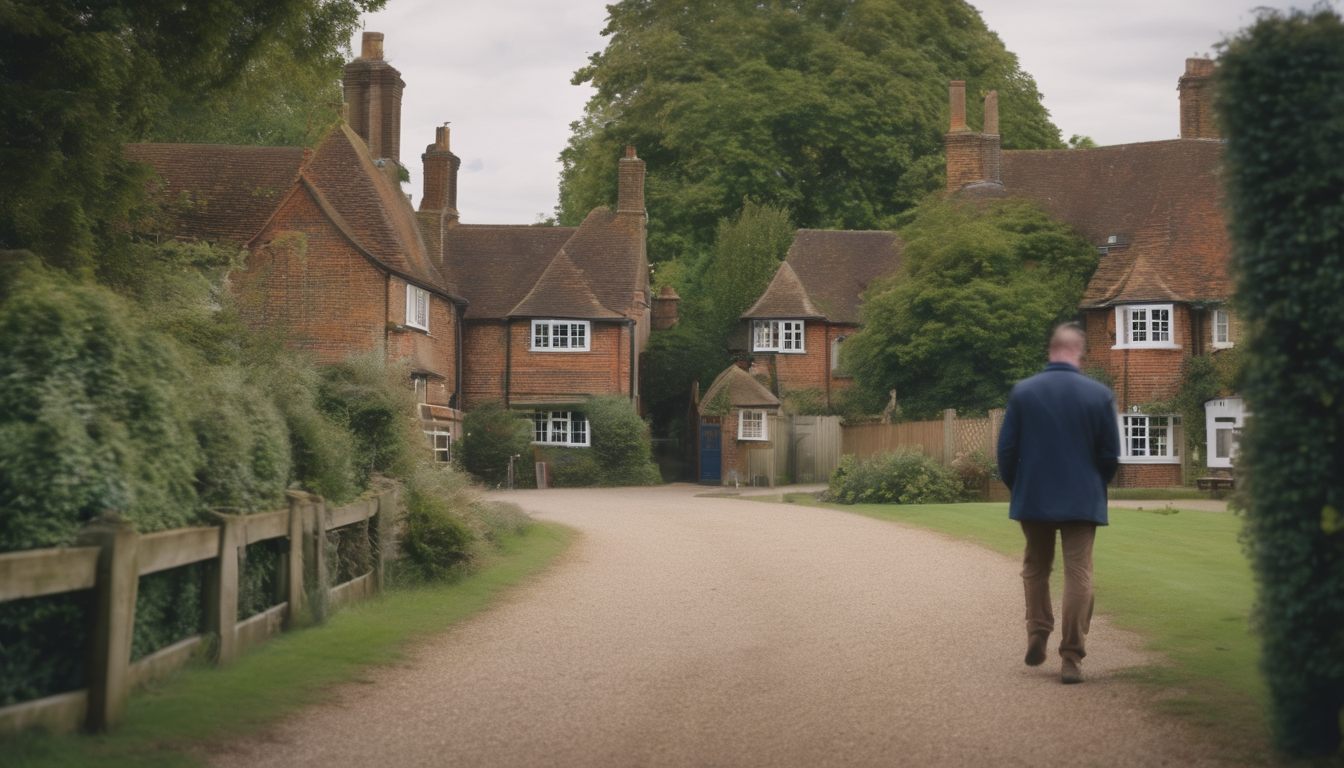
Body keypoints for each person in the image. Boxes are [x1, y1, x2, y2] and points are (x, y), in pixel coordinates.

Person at [996, 323, 1120, 684]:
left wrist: (1018, 486)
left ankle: (1037, 630)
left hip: (1034, 495)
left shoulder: (1024, 392)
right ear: (1079, 351)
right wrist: (1095, 484)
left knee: (1036, 566)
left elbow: (1006, 451)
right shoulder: (1099, 395)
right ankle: (1071, 657)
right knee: (1079, 573)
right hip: (1082, 497)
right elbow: (1110, 454)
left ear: (1051, 350)